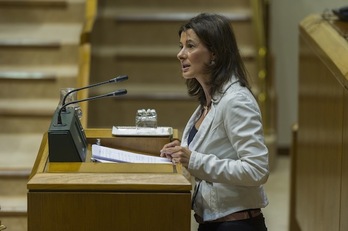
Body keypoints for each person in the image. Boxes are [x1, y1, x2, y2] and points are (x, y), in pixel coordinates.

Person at [160, 13, 269, 231]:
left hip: (237, 225)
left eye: (190, 46)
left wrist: (193, 159)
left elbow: (257, 169)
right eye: (181, 46)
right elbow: (217, 150)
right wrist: (182, 151)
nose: (180, 54)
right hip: (211, 221)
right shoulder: (209, 100)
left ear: (214, 54)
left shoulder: (236, 100)